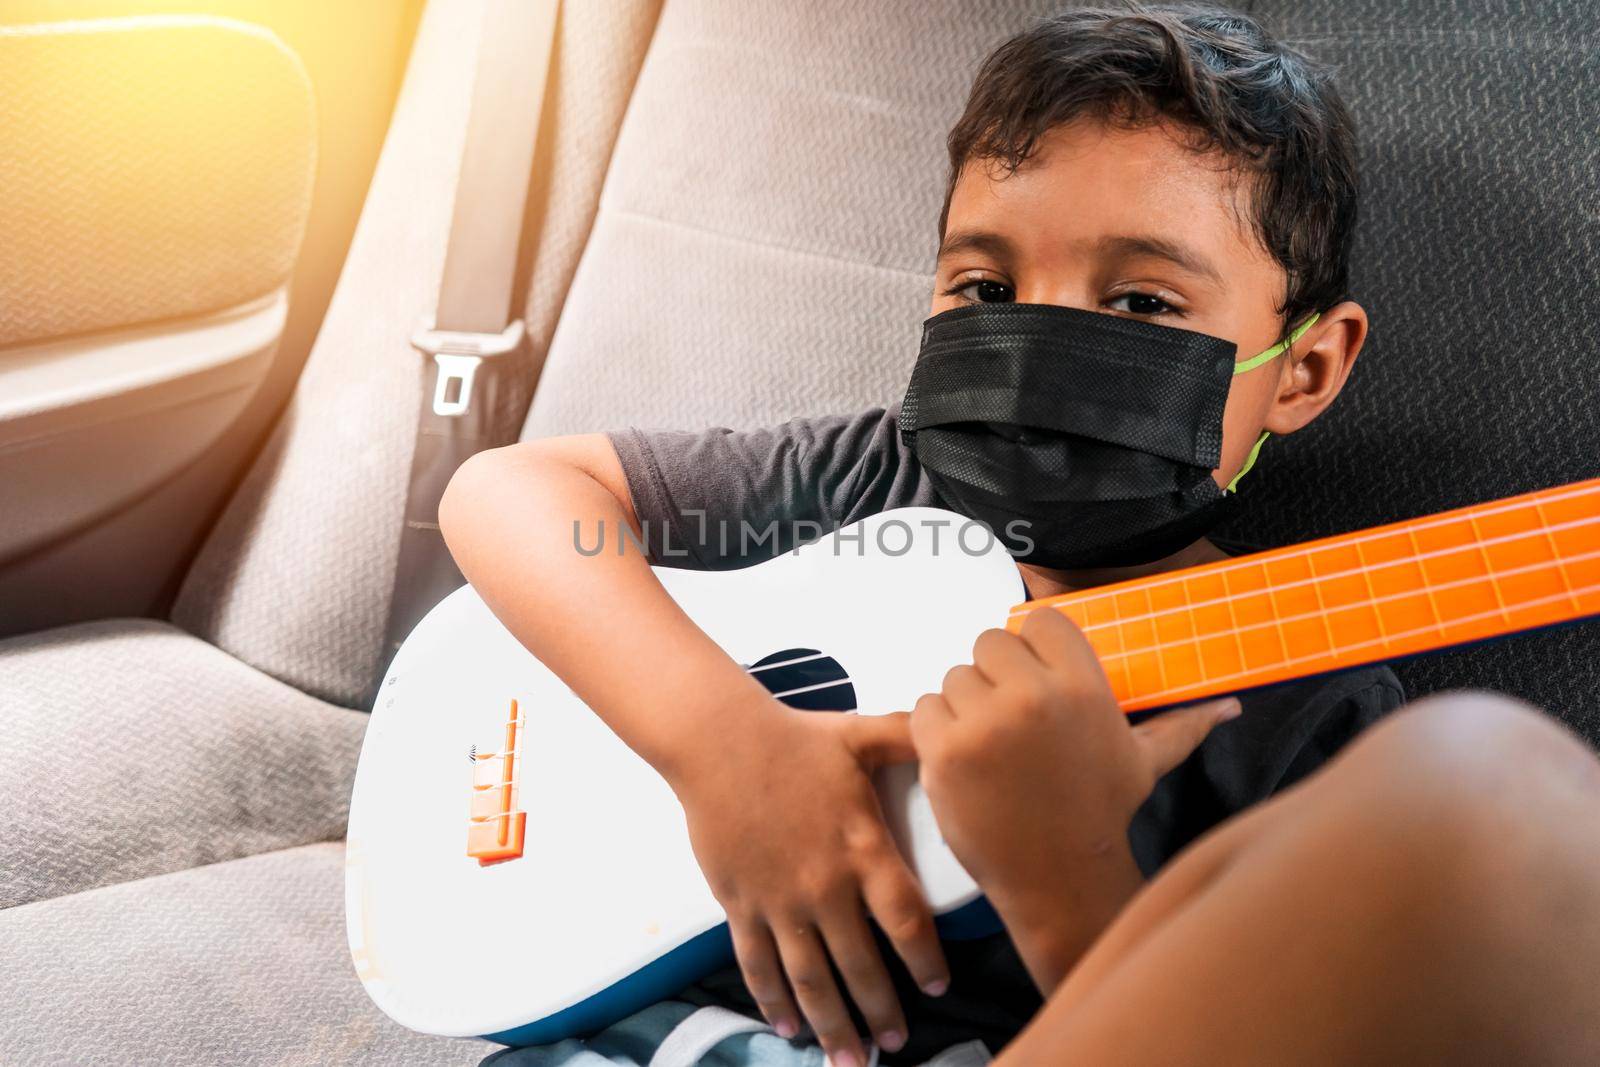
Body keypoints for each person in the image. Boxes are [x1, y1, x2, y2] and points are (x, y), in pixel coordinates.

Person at [443, 5, 1407, 1063]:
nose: (1029, 345)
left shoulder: (1309, 710)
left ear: (1303, 369)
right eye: (985, 288)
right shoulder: (872, 476)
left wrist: (1065, 874)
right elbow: (508, 492)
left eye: (1140, 303)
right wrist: (724, 747)